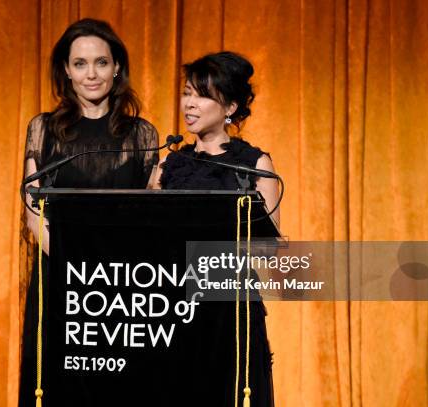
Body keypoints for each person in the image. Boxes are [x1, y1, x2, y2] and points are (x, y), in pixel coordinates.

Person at [19, 18, 159, 405]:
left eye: (101, 62)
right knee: (60, 383)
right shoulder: (44, 129)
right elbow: (34, 210)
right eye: (80, 64)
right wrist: (76, 264)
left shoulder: (142, 134)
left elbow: (150, 212)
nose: (91, 74)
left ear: (117, 68)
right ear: (66, 70)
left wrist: (112, 271)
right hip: (61, 276)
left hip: (124, 284)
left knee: (122, 388)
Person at [152, 51, 277, 406]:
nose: (190, 104)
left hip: (229, 309)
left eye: (202, 95)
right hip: (173, 309)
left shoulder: (253, 164)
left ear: (230, 107)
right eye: (188, 92)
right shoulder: (168, 164)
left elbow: (269, 247)